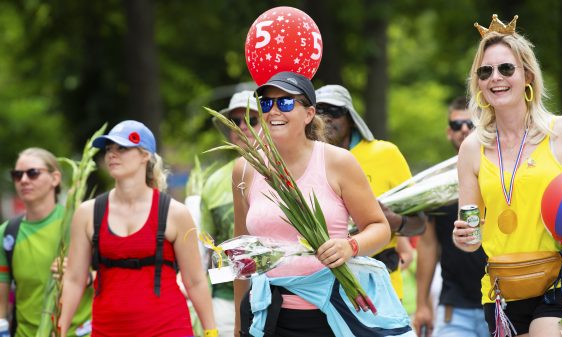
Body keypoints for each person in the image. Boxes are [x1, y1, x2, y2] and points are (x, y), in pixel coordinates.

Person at [233, 72, 413, 337]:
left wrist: (349, 246)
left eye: (285, 102)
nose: (273, 111)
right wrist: (239, 325)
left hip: (332, 314)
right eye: (266, 103)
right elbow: (241, 254)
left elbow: (379, 228)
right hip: (267, 316)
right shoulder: (245, 168)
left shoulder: (337, 162)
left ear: (308, 114)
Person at [453, 14, 562, 337]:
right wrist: (463, 237)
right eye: (485, 71)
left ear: (528, 75)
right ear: (478, 82)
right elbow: (471, 231)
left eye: (506, 68)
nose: (496, 78)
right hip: (504, 286)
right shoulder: (471, 148)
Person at [59, 120, 217, 337]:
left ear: (145, 155)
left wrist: (211, 332)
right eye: (109, 149)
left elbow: (195, 280)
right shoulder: (87, 213)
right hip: (108, 329)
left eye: (122, 148)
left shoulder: (175, 213)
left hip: (168, 328)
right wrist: (58, 330)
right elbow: (74, 280)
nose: (112, 154)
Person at [315, 84, 425, 302]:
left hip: (381, 287)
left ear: (350, 116)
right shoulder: (308, 160)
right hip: (324, 289)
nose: (326, 118)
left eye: (334, 111)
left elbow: (420, 223)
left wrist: (395, 222)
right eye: (319, 111)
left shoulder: (385, 153)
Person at [413, 97, 488, 337]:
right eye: (457, 125)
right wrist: (422, 304)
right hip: (454, 308)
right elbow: (428, 245)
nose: (464, 129)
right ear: (449, 132)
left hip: (502, 301)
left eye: (471, 123)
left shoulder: (499, 173)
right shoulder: (437, 185)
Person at [0, 148, 93, 337]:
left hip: (79, 333)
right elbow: (1, 304)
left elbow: (113, 277)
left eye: (32, 173)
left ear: (55, 178)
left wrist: (86, 276)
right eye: (17, 175)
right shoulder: (7, 233)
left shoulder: (78, 221)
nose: (24, 180)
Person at [201, 90, 261, 337]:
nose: (241, 127)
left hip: (283, 294)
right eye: (235, 121)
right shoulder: (214, 181)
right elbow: (206, 248)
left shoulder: (287, 171)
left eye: (250, 119)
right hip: (226, 298)